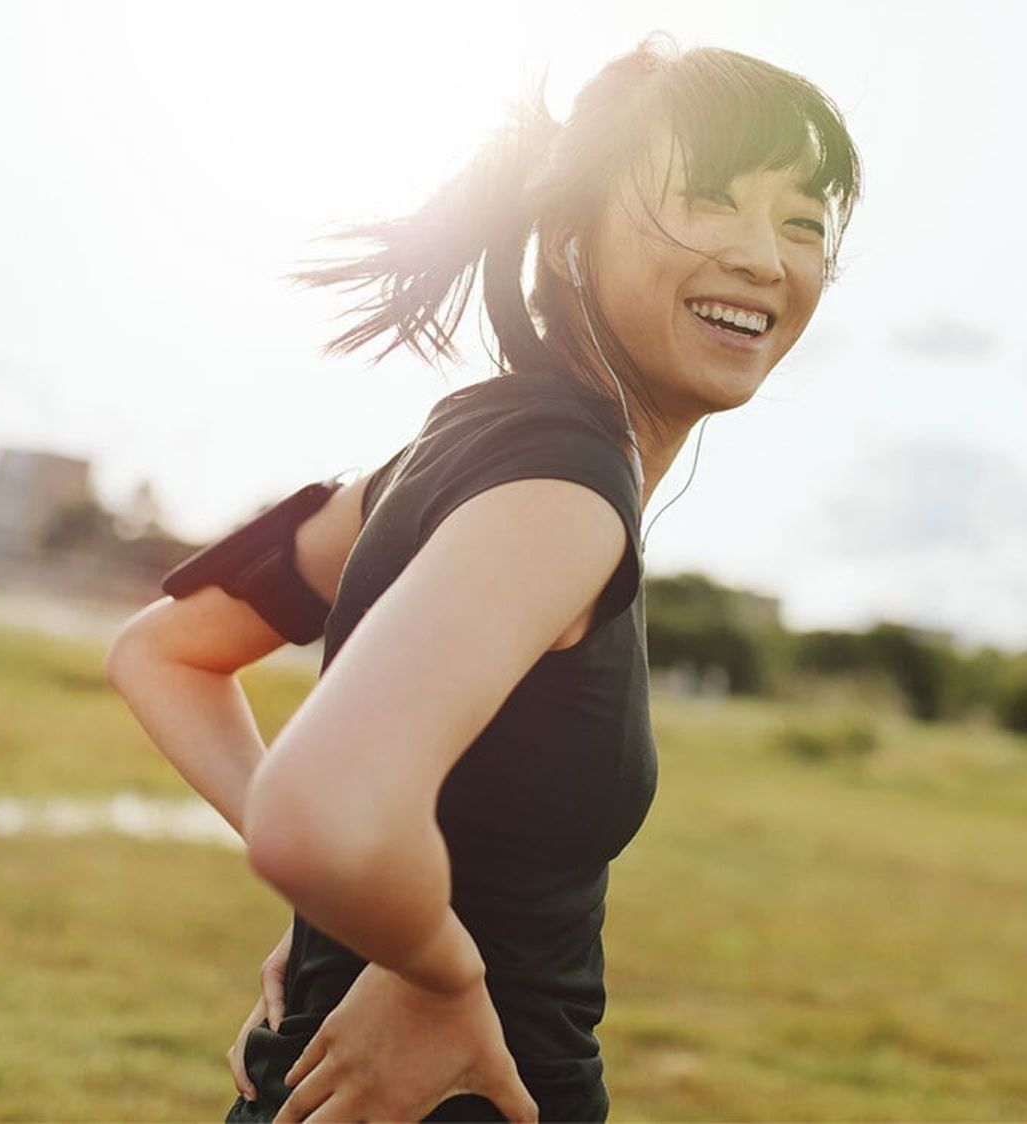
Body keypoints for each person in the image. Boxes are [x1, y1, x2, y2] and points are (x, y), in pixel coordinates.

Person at [106, 30, 861, 1124]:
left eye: (803, 221)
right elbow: (316, 808)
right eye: (708, 200)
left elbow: (160, 649)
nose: (764, 257)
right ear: (569, 240)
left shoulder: (440, 454)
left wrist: (360, 908)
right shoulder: (562, 497)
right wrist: (432, 971)